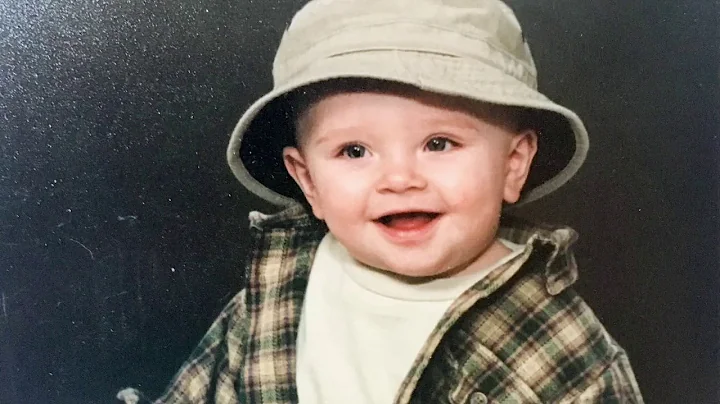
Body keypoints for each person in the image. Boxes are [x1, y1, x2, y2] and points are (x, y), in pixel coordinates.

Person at [122, 0, 644, 402]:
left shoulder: (564, 352)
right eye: (355, 150)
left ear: (513, 164)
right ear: (308, 182)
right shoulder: (283, 283)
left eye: (439, 144)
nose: (399, 179)